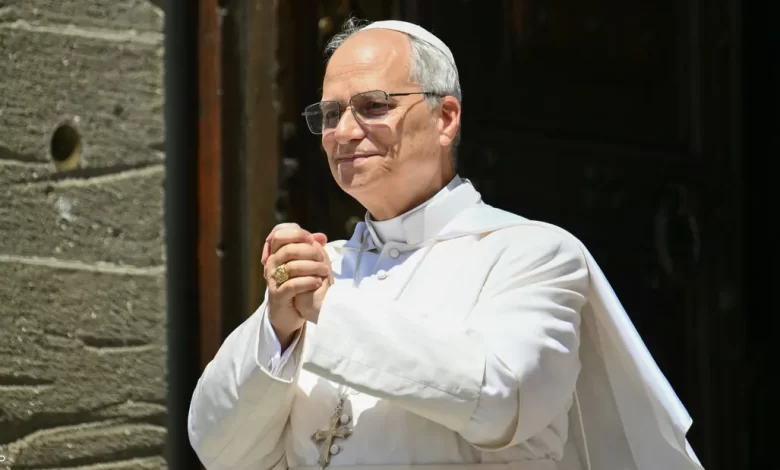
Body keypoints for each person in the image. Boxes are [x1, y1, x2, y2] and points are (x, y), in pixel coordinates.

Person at [187, 18, 704, 470]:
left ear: (446, 118)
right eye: (330, 113)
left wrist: (329, 308)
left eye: (372, 106)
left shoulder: (534, 254)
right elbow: (220, 449)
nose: (342, 132)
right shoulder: (321, 270)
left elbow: (503, 398)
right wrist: (278, 327)